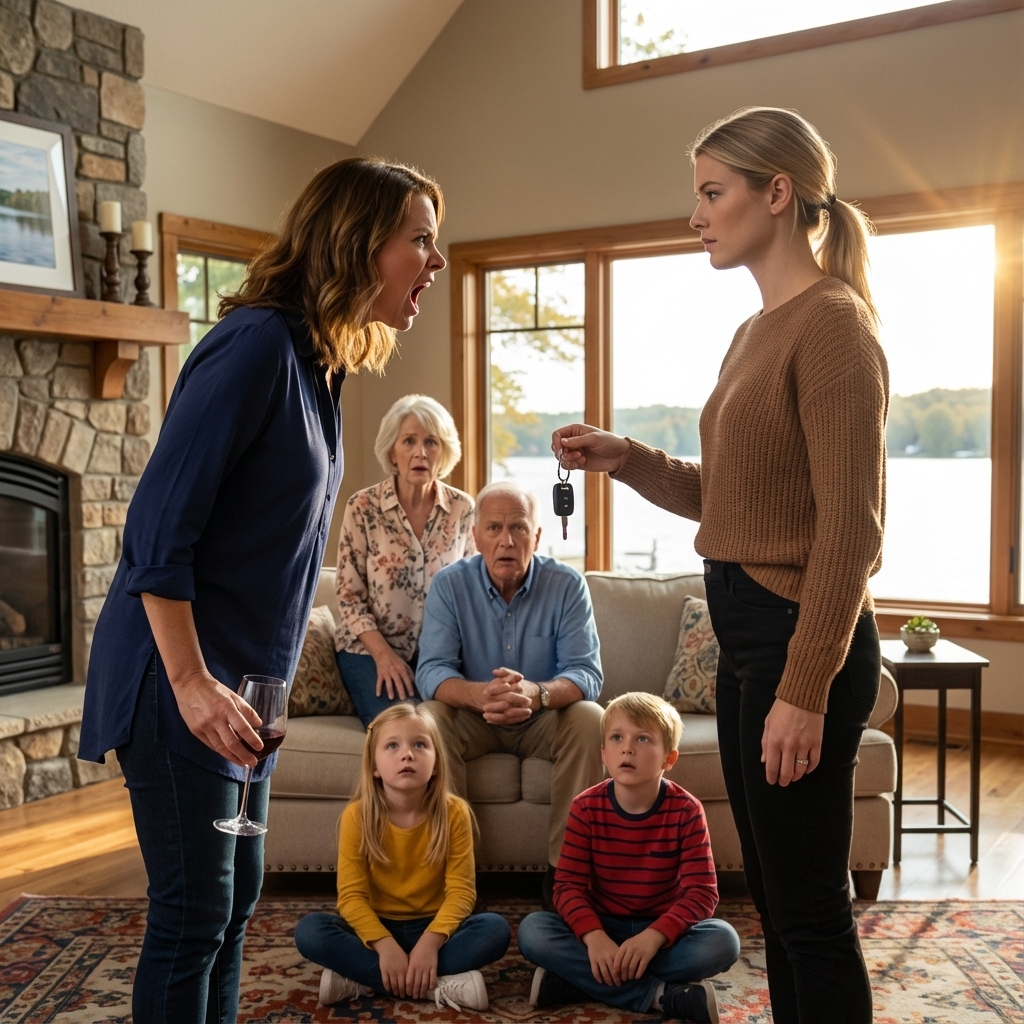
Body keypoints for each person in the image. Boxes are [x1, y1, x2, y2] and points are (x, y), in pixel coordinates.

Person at [78, 157, 447, 1024]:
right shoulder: (255, 348)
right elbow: (156, 532)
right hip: (183, 684)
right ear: (359, 242)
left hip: (247, 694)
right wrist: (192, 684)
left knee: (234, 905)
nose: (435, 261)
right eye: (420, 240)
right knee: (193, 914)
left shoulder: (319, 362)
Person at [552, 107, 887, 1024]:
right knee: (777, 901)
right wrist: (626, 457)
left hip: (794, 645)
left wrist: (805, 688)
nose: (696, 214)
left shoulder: (833, 326)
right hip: (748, 641)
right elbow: (736, 500)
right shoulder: (755, 330)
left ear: (777, 193)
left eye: (712, 192)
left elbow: (851, 531)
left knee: (809, 910)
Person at [416, 480, 604, 904]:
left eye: (518, 527)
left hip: (543, 718)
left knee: (591, 717)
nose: (507, 540)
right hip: (474, 719)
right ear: (475, 535)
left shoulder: (567, 584)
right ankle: (456, 876)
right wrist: (479, 695)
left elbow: (586, 673)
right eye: (495, 528)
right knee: (428, 718)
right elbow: (431, 671)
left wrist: (536, 694)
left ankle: (566, 877)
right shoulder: (449, 585)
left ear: (536, 536)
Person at [518, 693, 740, 1021]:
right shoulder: (585, 807)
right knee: (533, 931)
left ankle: (579, 982)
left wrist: (653, 937)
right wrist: (594, 937)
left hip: (660, 932)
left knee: (723, 942)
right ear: (603, 755)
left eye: (643, 739)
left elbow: (702, 893)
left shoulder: (687, 810)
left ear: (669, 759)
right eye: (617, 738)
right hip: (602, 924)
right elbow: (566, 887)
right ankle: (661, 996)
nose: (627, 748)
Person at [294, 703, 510, 1011]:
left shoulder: (455, 813)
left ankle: (363, 979)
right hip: (376, 930)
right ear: (374, 766)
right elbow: (351, 898)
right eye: (392, 745)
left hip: (435, 929)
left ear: (436, 764)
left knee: (495, 930)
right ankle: (434, 986)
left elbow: (462, 894)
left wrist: (430, 943)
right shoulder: (357, 816)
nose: (407, 754)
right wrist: (384, 946)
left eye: (420, 745)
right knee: (310, 932)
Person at [334, 394, 474, 727]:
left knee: (450, 727)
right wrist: (385, 657)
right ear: (391, 452)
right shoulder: (362, 507)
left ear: (444, 451)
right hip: (369, 651)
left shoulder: (463, 509)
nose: (420, 452)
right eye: (409, 441)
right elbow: (349, 597)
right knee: (404, 728)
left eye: (431, 442)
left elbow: (471, 591)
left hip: (438, 655)